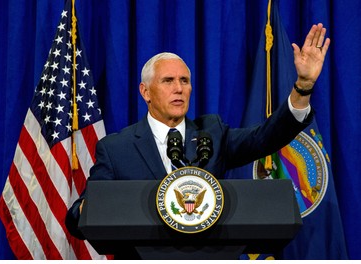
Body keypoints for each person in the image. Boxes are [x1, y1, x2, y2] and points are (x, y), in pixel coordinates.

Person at [66, 23, 330, 242]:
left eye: (184, 81)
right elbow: (83, 213)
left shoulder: (212, 134)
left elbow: (266, 137)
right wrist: (88, 210)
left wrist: (303, 86)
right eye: (168, 81)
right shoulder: (116, 148)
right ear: (145, 92)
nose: (179, 88)